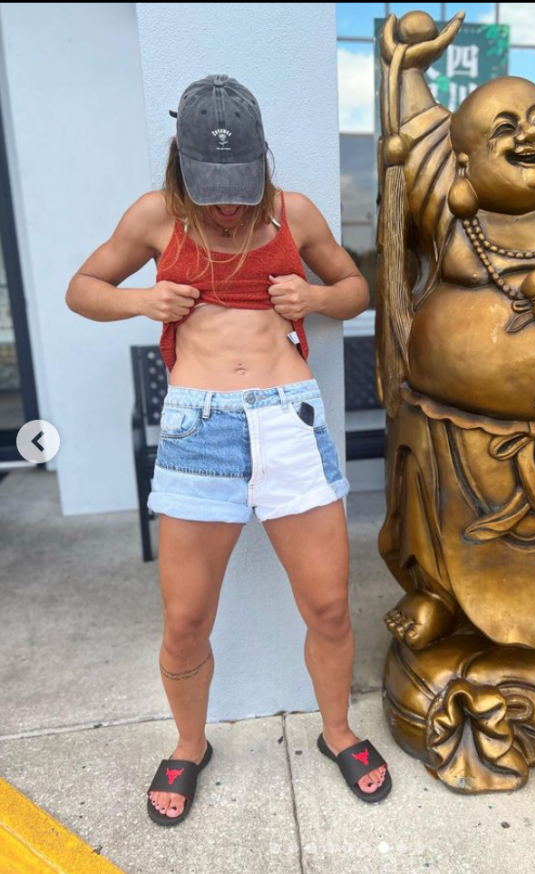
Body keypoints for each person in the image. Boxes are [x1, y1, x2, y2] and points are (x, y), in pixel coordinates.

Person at [65, 75, 391, 823]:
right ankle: (189, 746)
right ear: (182, 163)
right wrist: (141, 301)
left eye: (239, 189)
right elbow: (82, 288)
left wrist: (315, 298)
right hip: (198, 428)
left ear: (260, 161)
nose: (227, 207)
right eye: (212, 191)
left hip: (289, 421)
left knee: (329, 606)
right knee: (185, 622)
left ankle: (337, 732)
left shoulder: (293, 213)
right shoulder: (153, 216)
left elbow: (356, 288)